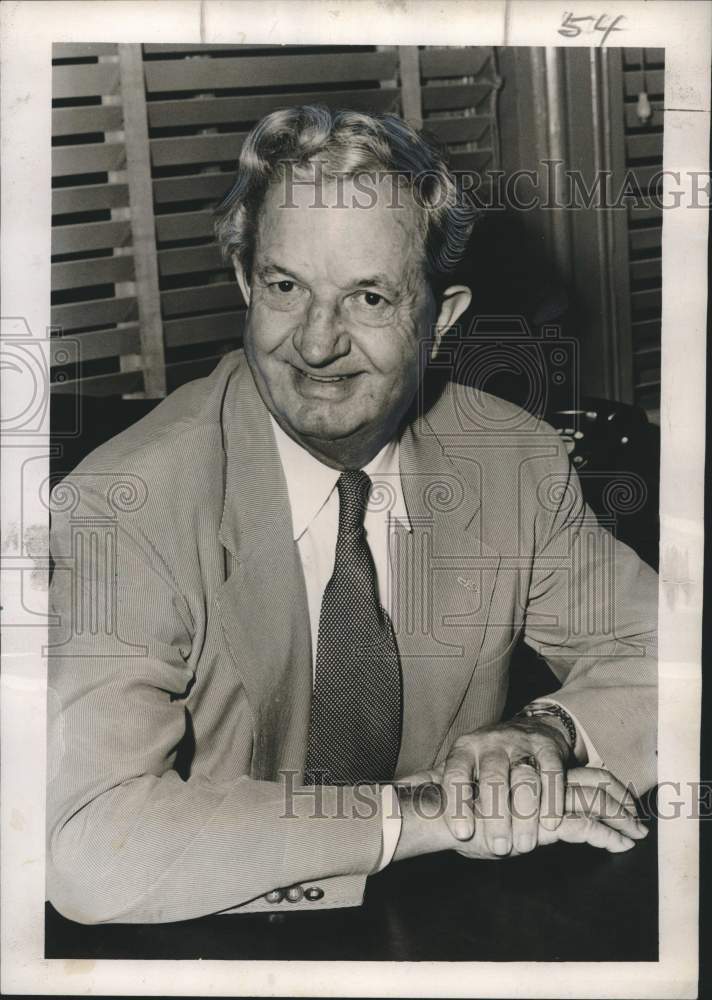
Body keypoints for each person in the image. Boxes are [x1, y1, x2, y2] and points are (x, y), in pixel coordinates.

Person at [46, 106, 657, 925]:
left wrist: (545, 733)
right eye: (286, 286)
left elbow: (675, 656)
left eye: (369, 297)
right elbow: (89, 847)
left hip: (453, 934)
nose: (317, 343)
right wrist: (435, 810)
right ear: (244, 284)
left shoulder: (512, 460)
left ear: (441, 320)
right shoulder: (124, 504)